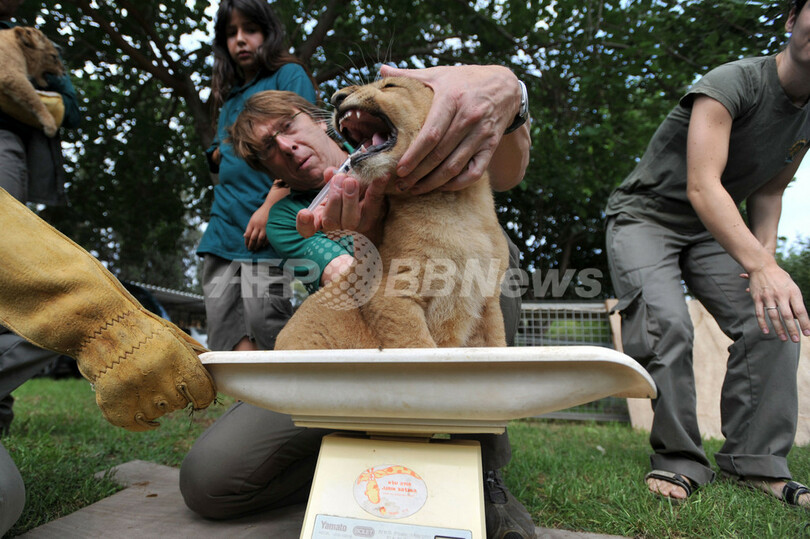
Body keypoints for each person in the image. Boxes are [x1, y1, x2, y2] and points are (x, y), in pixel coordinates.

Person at [180, 66, 536, 539]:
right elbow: (354, 279)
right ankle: (350, 466)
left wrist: (510, 99)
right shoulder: (292, 217)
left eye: (287, 128)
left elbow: (508, 172)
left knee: (490, 253)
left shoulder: (402, 134)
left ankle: (480, 463)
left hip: (439, 331)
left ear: (317, 119)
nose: (285, 148)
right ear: (271, 173)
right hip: (344, 358)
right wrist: (366, 234)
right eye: (269, 152)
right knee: (208, 481)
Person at [605, 0, 810, 506]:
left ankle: (755, 462)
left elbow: (769, 191)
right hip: (646, 216)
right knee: (666, 322)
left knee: (771, 319)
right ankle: (678, 459)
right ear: (791, 20)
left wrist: (766, 265)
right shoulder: (731, 83)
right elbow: (702, 185)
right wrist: (760, 264)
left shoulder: (806, 116)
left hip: (711, 231)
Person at [0, 0, 81, 533]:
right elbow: (16, 84)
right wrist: (43, 117)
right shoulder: (12, 42)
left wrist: (52, 106)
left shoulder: (26, 41)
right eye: (48, 57)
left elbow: (67, 105)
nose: (51, 63)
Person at [196, 0, 317, 355]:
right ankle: (245, 409)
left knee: (266, 321)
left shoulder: (288, 76)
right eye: (231, 33)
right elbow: (221, 156)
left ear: (268, 33)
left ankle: (285, 408)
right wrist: (219, 155)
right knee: (225, 330)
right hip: (223, 229)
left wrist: (271, 206)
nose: (241, 40)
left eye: (250, 30)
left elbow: (302, 148)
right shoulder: (230, 98)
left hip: (268, 226)